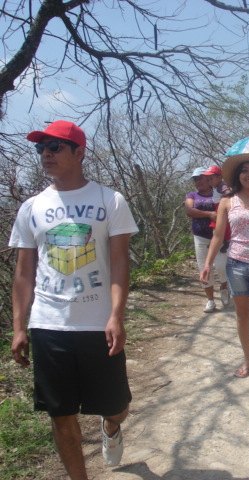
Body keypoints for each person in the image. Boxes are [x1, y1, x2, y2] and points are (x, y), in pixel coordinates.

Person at [9, 120, 139, 479]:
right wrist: (19, 327)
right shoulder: (32, 207)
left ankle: (111, 426)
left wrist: (116, 315)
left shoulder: (109, 200)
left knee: (117, 406)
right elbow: (23, 273)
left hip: (98, 323)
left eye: (55, 147)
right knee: (60, 413)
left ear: (79, 153)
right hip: (48, 325)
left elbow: (118, 263)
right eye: (41, 148)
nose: (46, 154)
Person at [199, 153, 249, 390]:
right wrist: (207, 264)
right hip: (235, 264)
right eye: (245, 170)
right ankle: (248, 361)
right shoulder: (227, 201)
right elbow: (217, 235)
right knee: (242, 316)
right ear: (238, 175)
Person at [184, 166, 230, 312]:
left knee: (222, 266)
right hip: (201, 237)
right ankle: (210, 300)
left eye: (200, 178)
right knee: (204, 267)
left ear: (208, 178)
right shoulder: (192, 195)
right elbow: (189, 211)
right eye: (195, 180)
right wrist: (210, 214)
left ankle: (224, 287)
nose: (198, 182)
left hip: (220, 236)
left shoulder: (218, 192)